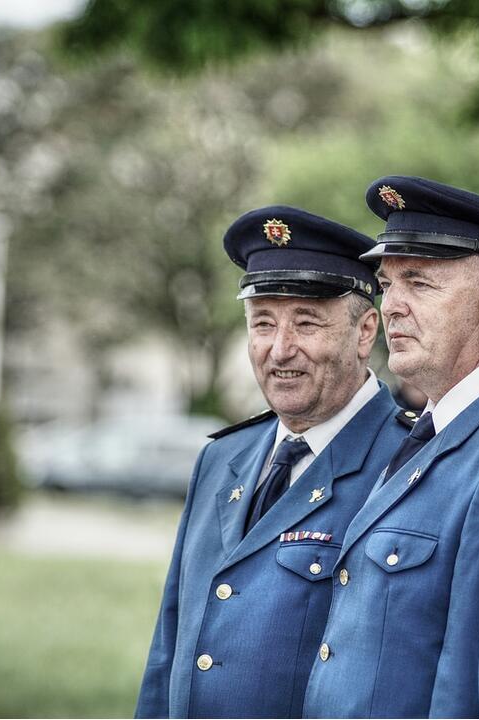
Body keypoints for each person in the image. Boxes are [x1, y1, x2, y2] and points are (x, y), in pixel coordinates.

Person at [135, 207, 408, 718]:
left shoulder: (408, 463)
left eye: (306, 322)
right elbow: (168, 648)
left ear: (364, 331)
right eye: (263, 323)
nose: (280, 349)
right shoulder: (222, 458)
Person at [302, 176, 479, 718]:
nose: (392, 306)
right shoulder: (431, 429)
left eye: (419, 283)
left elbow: (477, 677)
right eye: (388, 284)